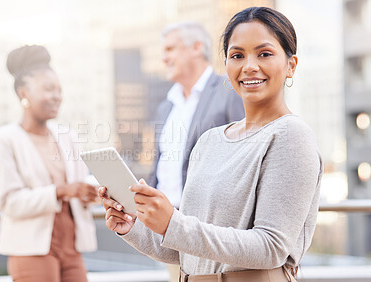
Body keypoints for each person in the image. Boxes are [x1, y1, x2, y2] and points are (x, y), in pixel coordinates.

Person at [101, 6, 323, 282]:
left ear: (291, 65)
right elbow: (189, 250)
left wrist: (174, 224)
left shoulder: (290, 135)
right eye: (237, 55)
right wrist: (132, 227)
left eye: (264, 53)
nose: (249, 65)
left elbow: (271, 247)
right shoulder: (209, 141)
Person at [0, 45, 98, 282]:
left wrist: (90, 193)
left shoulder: (67, 136)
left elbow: (79, 188)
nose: (56, 96)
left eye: (58, 89)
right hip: (31, 249)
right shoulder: (4, 140)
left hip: (72, 246)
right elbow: (10, 202)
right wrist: (62, 191)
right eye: (48, 89)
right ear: (23, 93)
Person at [147, 22, 245, 281]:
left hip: (212, 229)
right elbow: (161, 166)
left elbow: (246, 155)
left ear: (196, 47)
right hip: (168, 228)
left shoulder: (228, 91)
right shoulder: (166, 106)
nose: (164, 57)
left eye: (170, 49)